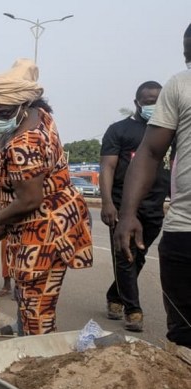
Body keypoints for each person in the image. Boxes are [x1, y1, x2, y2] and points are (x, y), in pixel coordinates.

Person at [0, 59, 93, 336]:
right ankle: (30, 343)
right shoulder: (40, 115)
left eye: (3, 111)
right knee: (30, 300)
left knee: (37, 310)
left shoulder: (26, 144)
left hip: (43, 233)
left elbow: (28, 202)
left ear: (23, 105)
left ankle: (40, 360)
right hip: (36, 223)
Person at [115, 23, 191, 348]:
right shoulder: (180, 85)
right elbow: (149, 151)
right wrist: (126, 213)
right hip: (185, 231)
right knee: (185, 338)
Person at [100, 81, 169, 332]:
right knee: (125, 255)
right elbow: (107, 167)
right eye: (147, 101)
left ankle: (115, 295)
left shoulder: (169, 129)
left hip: (155, 207)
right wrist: (107, 202)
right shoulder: (120, 130)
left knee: (137, 256)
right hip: (123, 205)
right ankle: (133, 310)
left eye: (157, 101)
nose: (152, 105)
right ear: (137, 103)